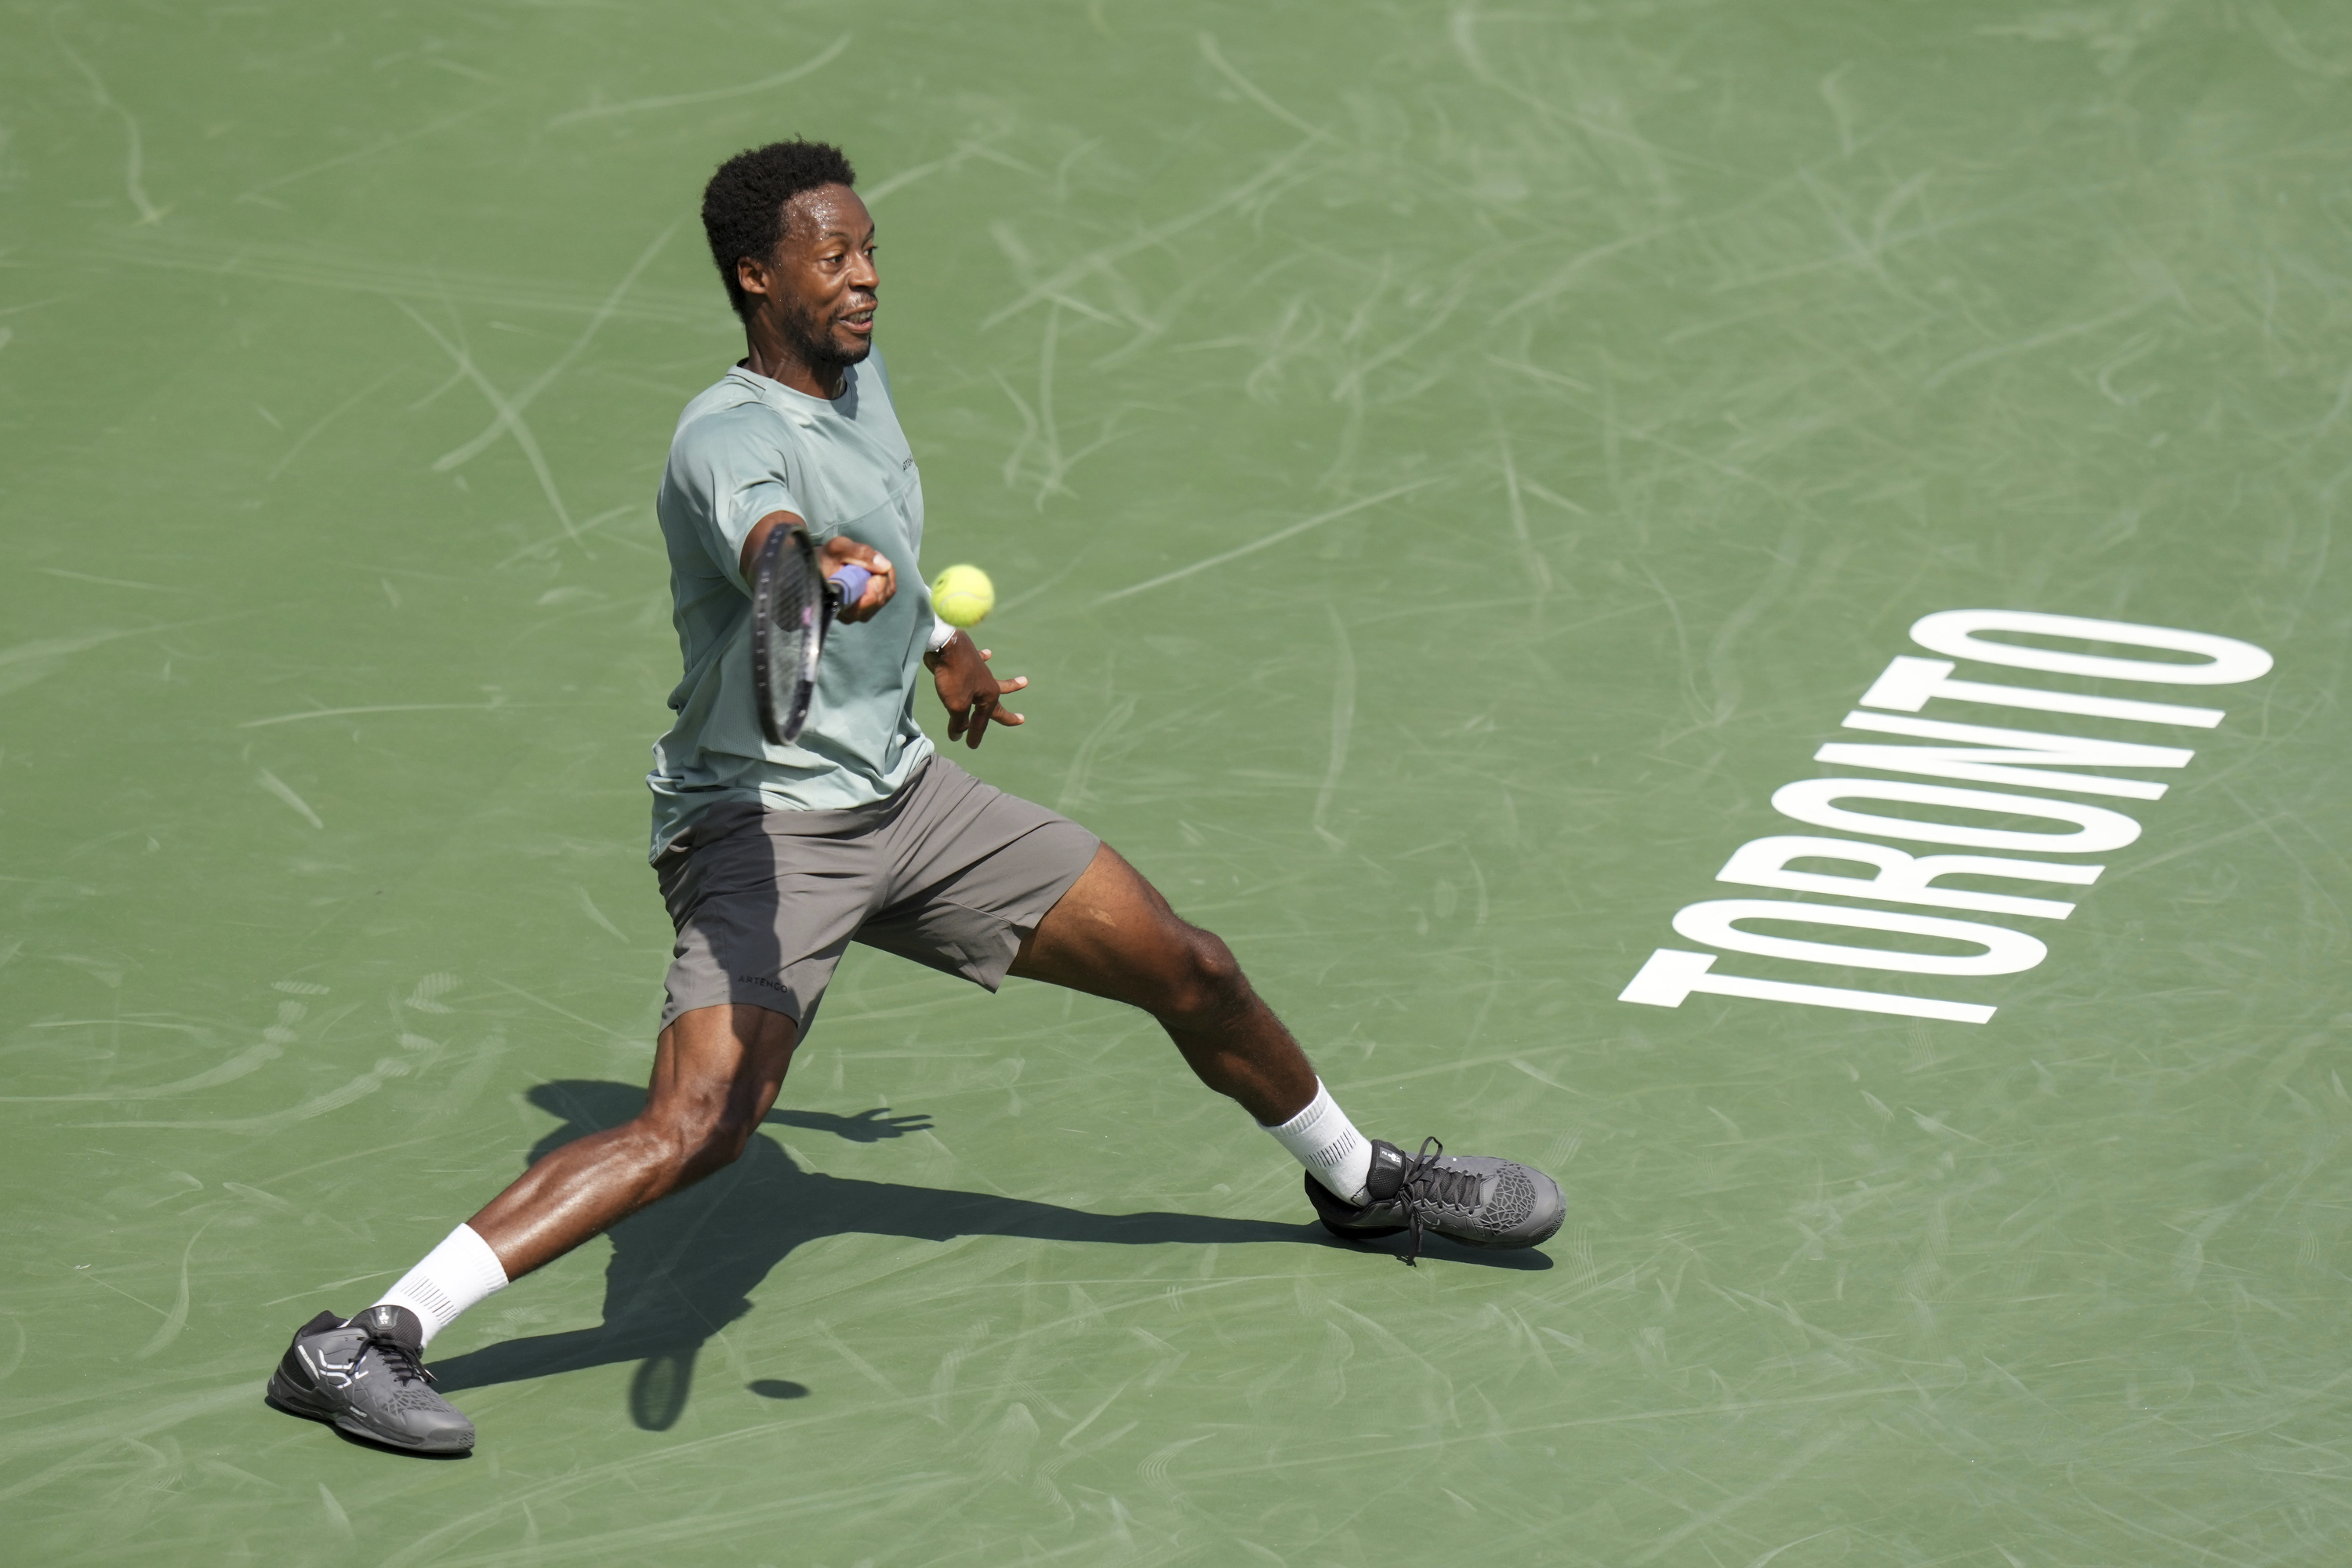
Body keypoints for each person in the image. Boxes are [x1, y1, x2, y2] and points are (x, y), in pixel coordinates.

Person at [265, 140, 1563, 1455]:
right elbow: (778, 540)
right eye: (833, 258)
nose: (867, 277)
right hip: (765, 835)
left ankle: (1361, 1182)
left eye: (871, 248)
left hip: (908, 800)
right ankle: (361, 1340)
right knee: (702, 1126)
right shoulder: (726, 438)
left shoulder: (858, 373)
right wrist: (811, 568)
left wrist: (940, 642)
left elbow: (881, 526)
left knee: (1193, 967)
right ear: (755, 275)